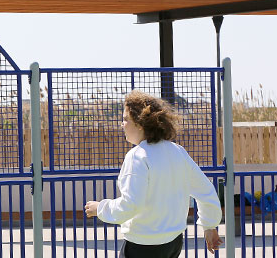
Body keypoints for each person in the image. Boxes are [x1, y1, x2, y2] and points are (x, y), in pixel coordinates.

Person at [84, 90, 223, 257]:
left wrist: (100, 208)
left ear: (139, 123)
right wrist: (209, 226)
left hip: (142, 246)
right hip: (173, 243)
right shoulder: (177, 151)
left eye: (125, 119)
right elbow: (206, 191)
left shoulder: (137, 156)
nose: (122, 124)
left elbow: (131, 205)